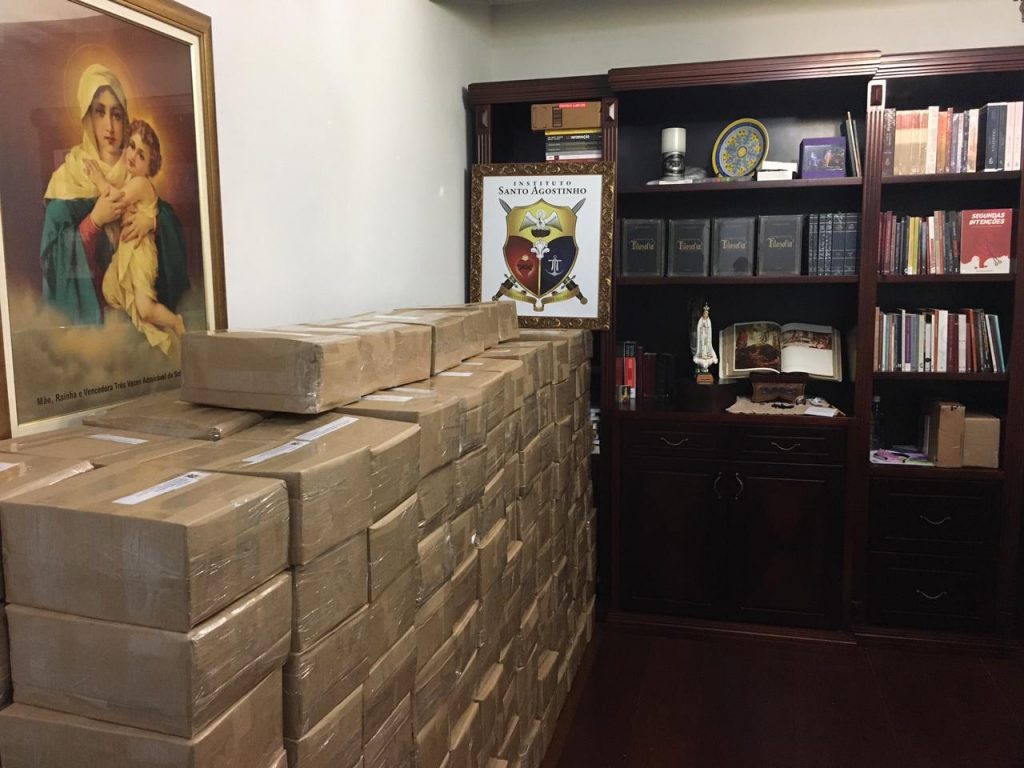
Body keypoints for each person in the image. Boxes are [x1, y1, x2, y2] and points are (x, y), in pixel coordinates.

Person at [40, 63, 188, 329]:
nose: (109, 126)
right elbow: (52, 261)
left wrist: (153, 223)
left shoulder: (135, 172)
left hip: (133, 317)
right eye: (100, 112)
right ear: (87, 116)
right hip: (93, 325)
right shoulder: (66, 178)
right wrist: (93, 222)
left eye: (117, 115)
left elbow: (171, 225)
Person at [84, 120, 185, 354]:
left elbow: (117, 202)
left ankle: (175, 322)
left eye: (141, 155)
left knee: (145, 309)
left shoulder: (140, 183)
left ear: (150, 166)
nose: (132, 155)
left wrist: (99, 180)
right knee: (112, 291)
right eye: (131, 146)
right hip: (128, 250)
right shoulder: (131, 179)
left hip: (140, 254)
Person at [693, 303, 718, 372]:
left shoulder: (708, 321)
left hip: (707, 337)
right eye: (705, 314)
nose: (705, 316)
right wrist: (702, 329)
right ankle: (701, 355)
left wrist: (706, 328)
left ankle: (707, 355)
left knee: (707, 346)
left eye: (707, 315)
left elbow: (709, 328)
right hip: (702, 336)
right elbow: (699, 328)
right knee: (702, 346)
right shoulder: (700, 321)